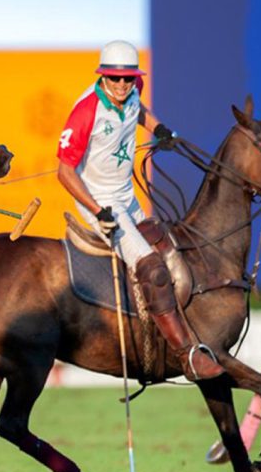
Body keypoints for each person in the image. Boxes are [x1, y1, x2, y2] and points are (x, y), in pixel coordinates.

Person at [56, 39, 224, 381]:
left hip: (127, 196)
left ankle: (171, 331)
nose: (121, 85)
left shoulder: (133, 89)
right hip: (99, 201)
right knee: (153, 269)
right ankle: (186, 355)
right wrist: (97, 209)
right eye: (114, 79)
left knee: (168, 248)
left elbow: (139, 109)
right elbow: (64, 172)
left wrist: (158, 129)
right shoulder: (87, 110)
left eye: (127, 79)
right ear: (102, 77)